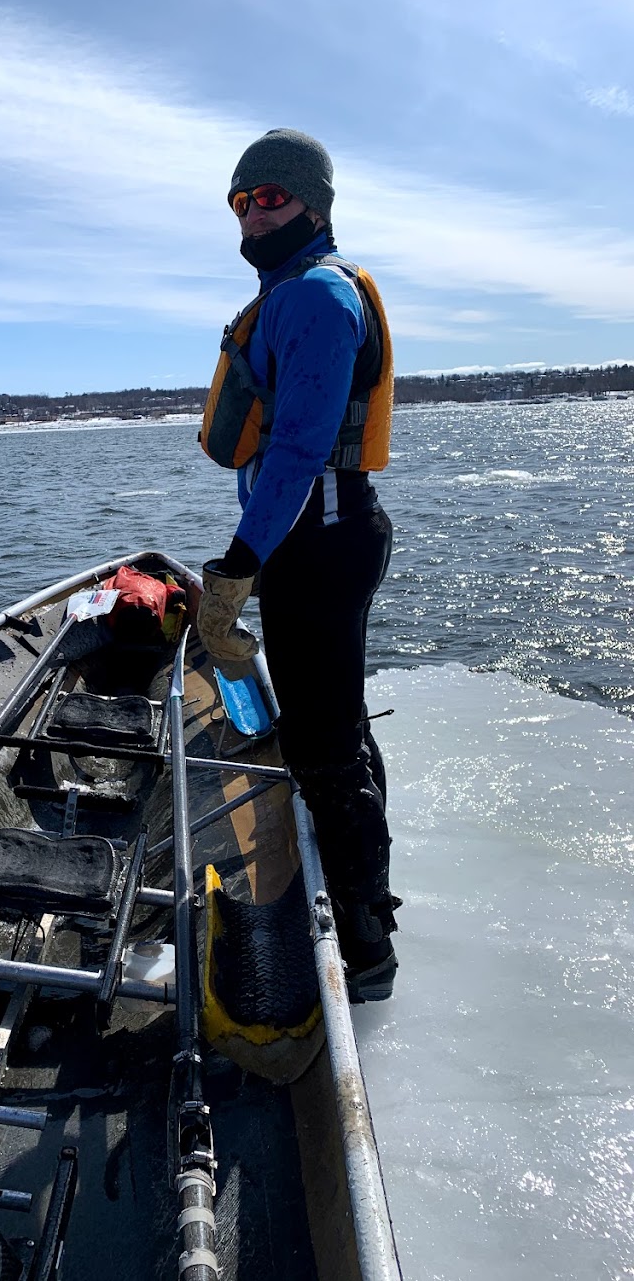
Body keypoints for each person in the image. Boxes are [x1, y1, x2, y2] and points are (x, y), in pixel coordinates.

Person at [197, 129, 400, 1001]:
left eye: (271, 197)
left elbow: (302, 448)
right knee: (335, 722)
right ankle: (367, 896)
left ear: (314, 203)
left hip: (316, 544)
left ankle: (364, 944)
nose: (254, 213)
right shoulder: (293, 290)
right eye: (241, 201)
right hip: (313, 539)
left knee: (322, 740)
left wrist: (239, 565)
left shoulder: (317, 295)